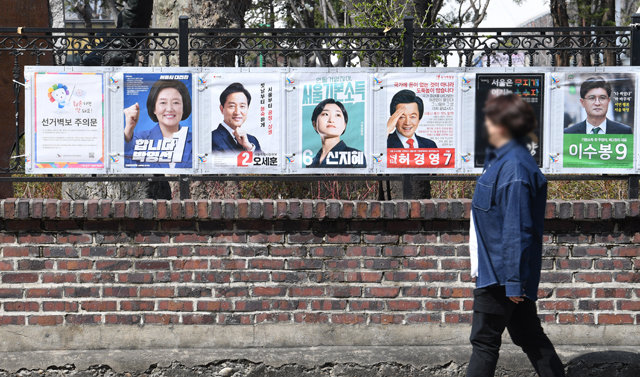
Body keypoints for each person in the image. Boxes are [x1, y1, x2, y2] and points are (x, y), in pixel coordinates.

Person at [467, 94, 565, 377]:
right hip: (498, 270)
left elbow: (516, 228)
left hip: (501, 274)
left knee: (484, 343)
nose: (484, 125)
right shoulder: (500, 160)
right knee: (529, 338)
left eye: (489, 119)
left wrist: (513, 284)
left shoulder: (515, 168)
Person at [124, 79, 192, 169]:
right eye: (163, 102)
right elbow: (122, 164)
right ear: (154, 108)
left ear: (184, 107)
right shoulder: (138, 139)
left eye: (176, 102)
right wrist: (128, 130)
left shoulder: (196, 141)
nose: (169, 109)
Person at [307, 98, 365, 168]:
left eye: (337, 115)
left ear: (344, 125)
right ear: (314, 124)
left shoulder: (354, 156)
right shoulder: (310, 163)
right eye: (325, 114)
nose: (331, 120)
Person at [564, 76, 632, 134]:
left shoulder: (624, 131)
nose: (597, 103)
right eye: (592, 98)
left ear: (608, 101)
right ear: (582, 102)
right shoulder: (570, 133)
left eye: (602, 98)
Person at [211, 82, 263, 154]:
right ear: (222, 109)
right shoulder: (211, 139)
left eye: (242, 106)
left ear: (247, 109)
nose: (237, 112)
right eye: (232, 106)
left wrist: (249, 148)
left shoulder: (252, 141)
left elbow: (265, 163)